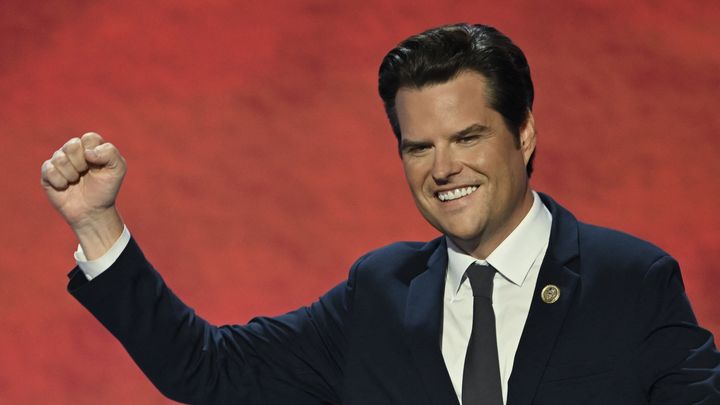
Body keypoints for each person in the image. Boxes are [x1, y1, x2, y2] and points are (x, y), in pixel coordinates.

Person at [40, 23, 719, 405]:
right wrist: (99, 226)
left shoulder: (631, 280)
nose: (443, 168)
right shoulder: (380, 294)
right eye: (418, 146)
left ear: (526, 133)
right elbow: (207, 370)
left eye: (468, 137)